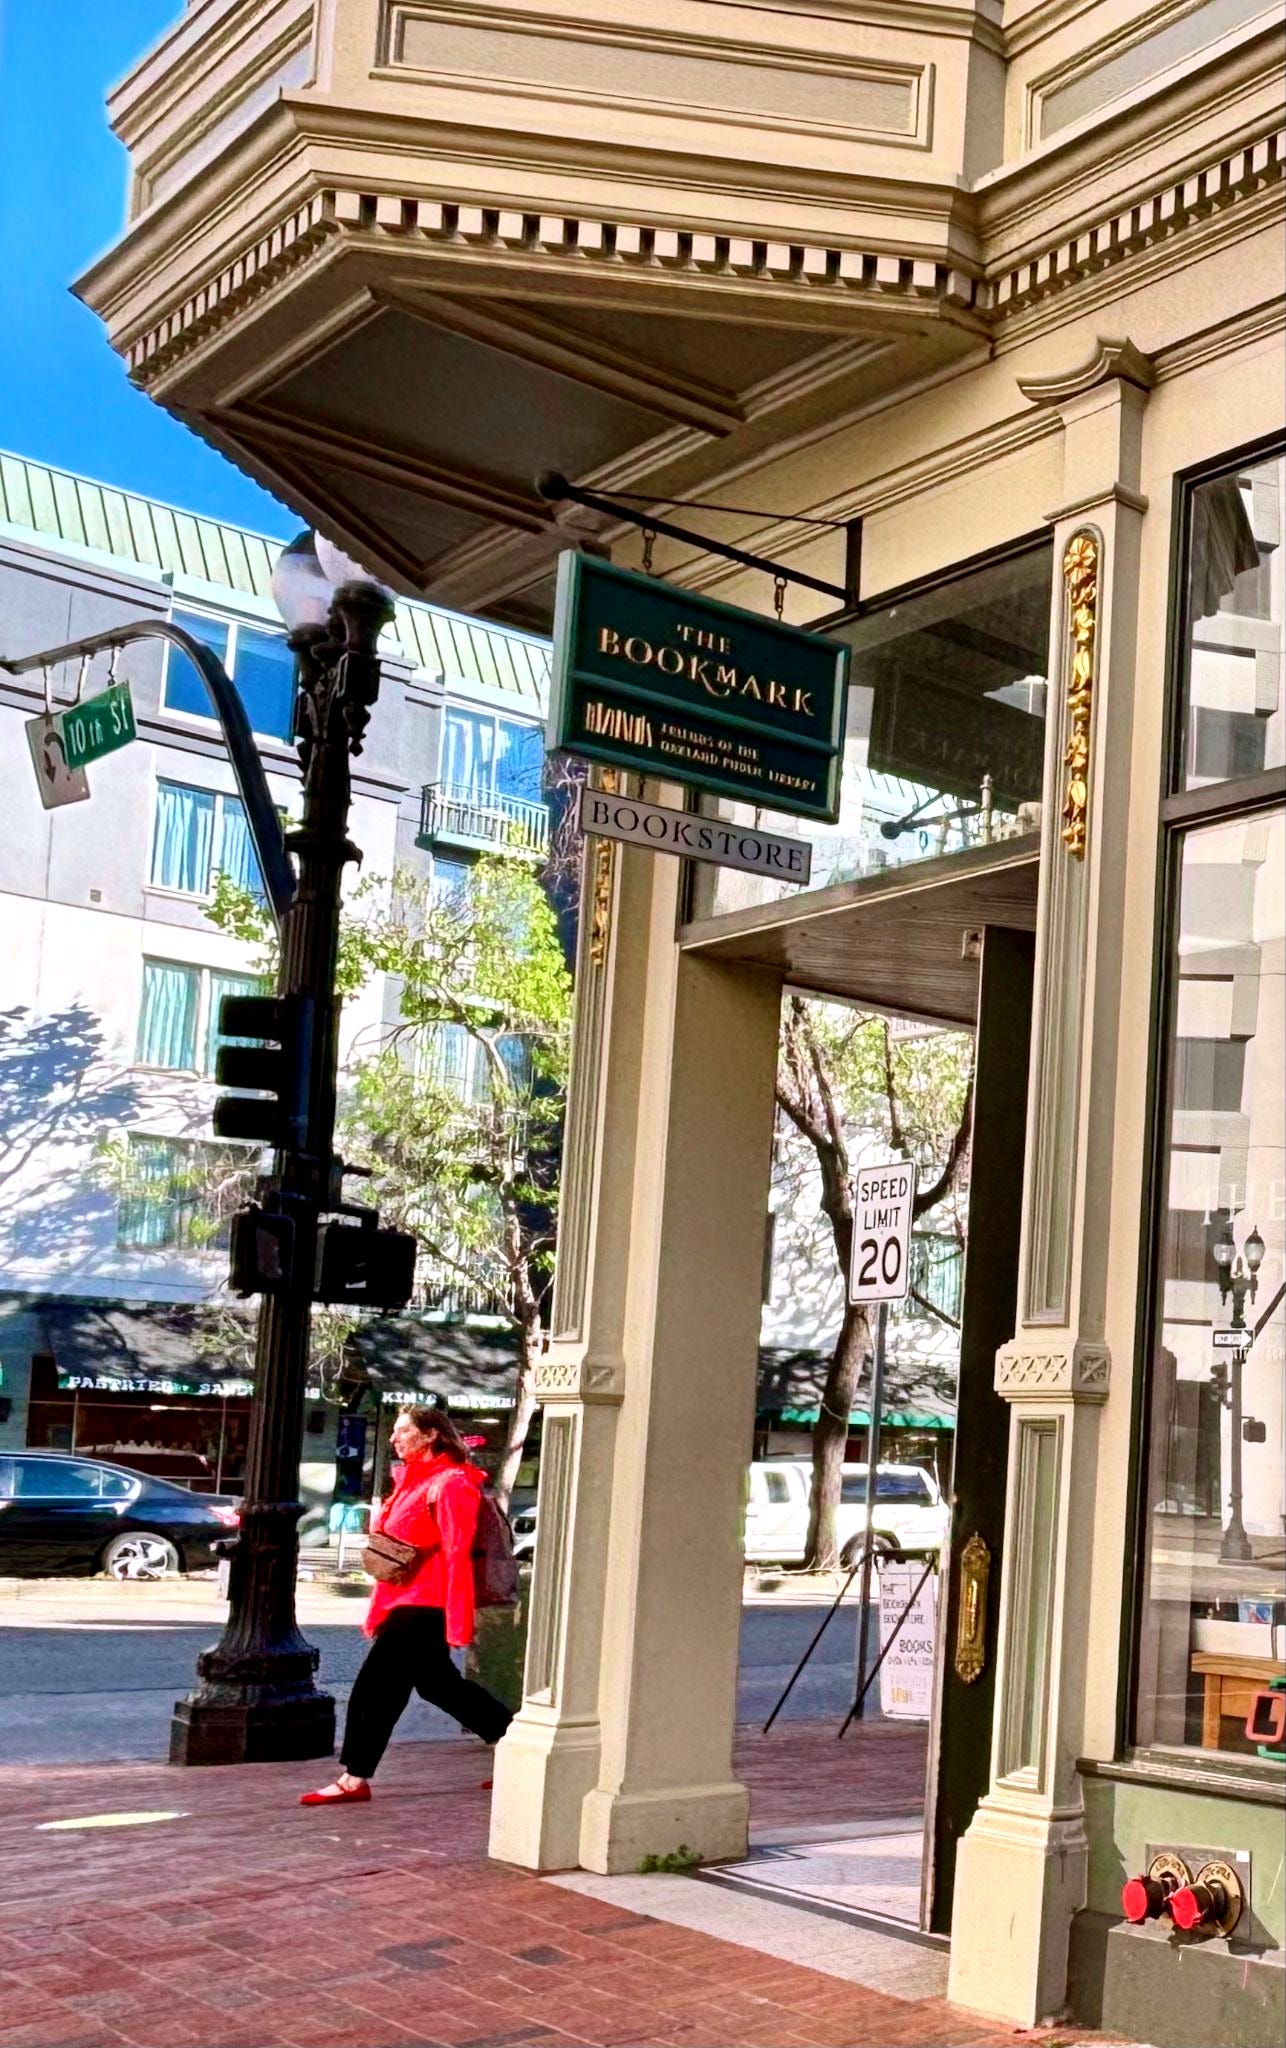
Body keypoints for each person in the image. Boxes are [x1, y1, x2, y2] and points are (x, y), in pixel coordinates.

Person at [300, 1405, 513, 1804]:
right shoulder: (413, 1482)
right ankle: (516, 1747)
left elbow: (457, 1554)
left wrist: (458, 1619)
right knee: (440, 1687)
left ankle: (354, 1778)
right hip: (402, 1599)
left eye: (402, 1431)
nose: (394, 1439)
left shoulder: (452, 1484)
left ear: (430, 1434)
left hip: (425, 1605)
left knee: (374, 1689)